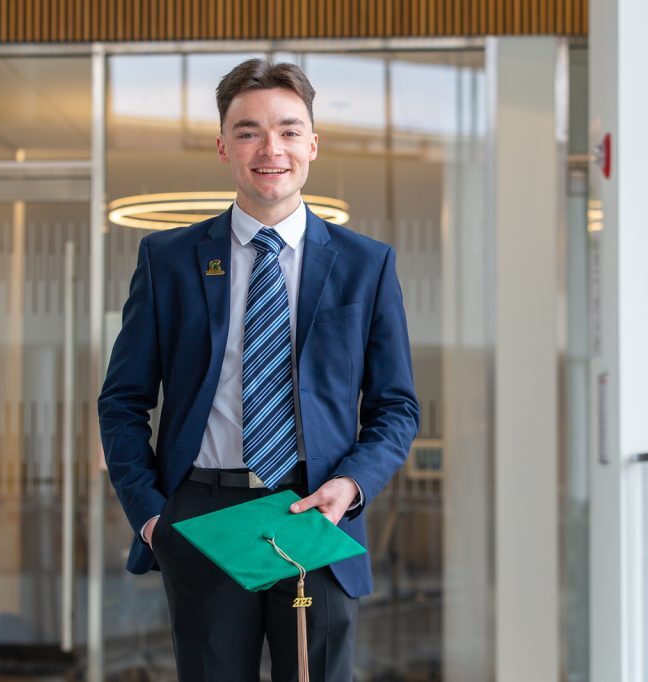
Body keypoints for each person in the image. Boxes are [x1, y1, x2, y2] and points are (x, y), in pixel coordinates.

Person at [98, 58, 419, 682]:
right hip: (202, 516)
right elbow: (122, 401)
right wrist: (151, 516)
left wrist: (351, 487)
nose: (271, 148)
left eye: (289, 130)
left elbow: (396, 407)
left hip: (313, 511)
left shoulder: (366, 266)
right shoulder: (167, 260)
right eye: (248, 131)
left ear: (313, 145)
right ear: (223, 146)